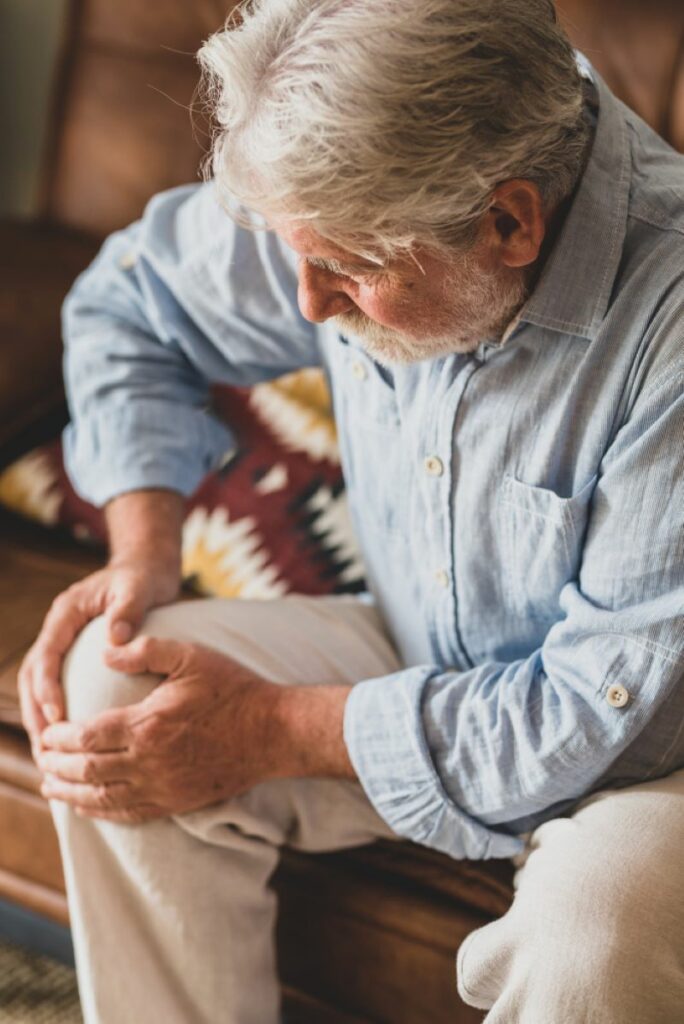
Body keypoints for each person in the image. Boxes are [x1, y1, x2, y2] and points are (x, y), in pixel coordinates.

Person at [18, 1, 684, 1021]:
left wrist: (273, 727)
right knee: (118, 691)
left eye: (351, 268)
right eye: (295, 252)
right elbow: (131, 302)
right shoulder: (354, 198)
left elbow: (591, 715)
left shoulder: (669, 327)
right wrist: (142, 546)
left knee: (594, 920)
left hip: (652, 752)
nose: (305, 305)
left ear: (511, 221)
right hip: (428, 643)